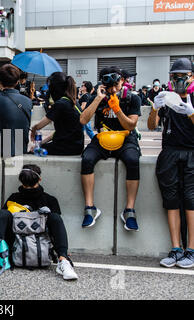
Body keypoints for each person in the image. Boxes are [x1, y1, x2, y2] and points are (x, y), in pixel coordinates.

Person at [0, 165, 78, 280]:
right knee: (55, 217)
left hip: (38, 243)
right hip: (19, 242)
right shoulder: (50, 200)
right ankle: (63, 259)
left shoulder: (14, 198)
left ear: (21, 180)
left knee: (2, 214)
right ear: (39, 179)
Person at [79, 67, 141, 231]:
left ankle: (129, 210)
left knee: (133, 160)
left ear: (122, 81)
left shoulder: (132, 99)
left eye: (117, 85)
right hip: (103, 138)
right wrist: (98, 99)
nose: (113, 90)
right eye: (110, 87)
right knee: (87, 159)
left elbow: (131, 124)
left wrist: (117, 109)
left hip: (126, 138)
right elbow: (83, 120)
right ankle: (90, 208)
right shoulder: (97, 96)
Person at [148, 58, 194, 269]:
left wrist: (190, 112)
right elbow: (151, 126)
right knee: (171, 200)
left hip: (191, 152)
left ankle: (191, 249)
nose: (179, 80)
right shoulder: (167, 98)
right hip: (169, 153)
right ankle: (176, 248)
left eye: (183, 76)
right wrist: (155, 109)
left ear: (191, 76)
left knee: (191, 200)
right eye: (175, 76)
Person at [30, 72, 84, 156]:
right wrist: (42, 143)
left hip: (65, 148)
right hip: (77, 147)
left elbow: (39, 126)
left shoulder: (60, 104)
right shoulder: (73, 102)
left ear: (54, 89)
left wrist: (33, 130)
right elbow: (59, 132)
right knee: (39, 148)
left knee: (32, 151)